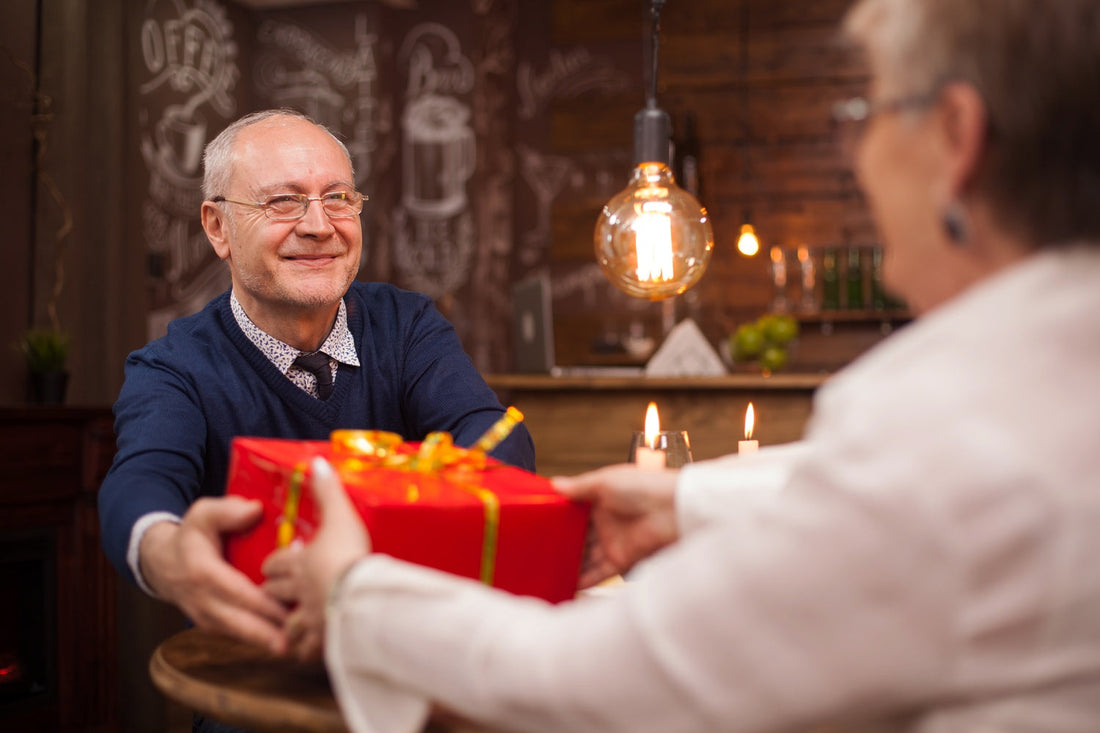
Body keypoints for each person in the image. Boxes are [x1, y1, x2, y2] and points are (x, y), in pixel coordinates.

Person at [261, 0, 1100, 731]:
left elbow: (583, 683)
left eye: (870, 111)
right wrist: (688, 499)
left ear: (955, 136)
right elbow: (890, 487)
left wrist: (352, 593)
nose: (858, 152)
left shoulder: (935, 418)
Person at [97, 108, 535, 659]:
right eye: (283, 201)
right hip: (260, 672)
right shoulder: (173, 367)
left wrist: (384, 540)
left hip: (409, 661)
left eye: (338, 198)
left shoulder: (406, 326)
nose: (319, 226)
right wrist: (168, 551)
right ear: (217, 227)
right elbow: (140, 484)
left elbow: (493, 435)